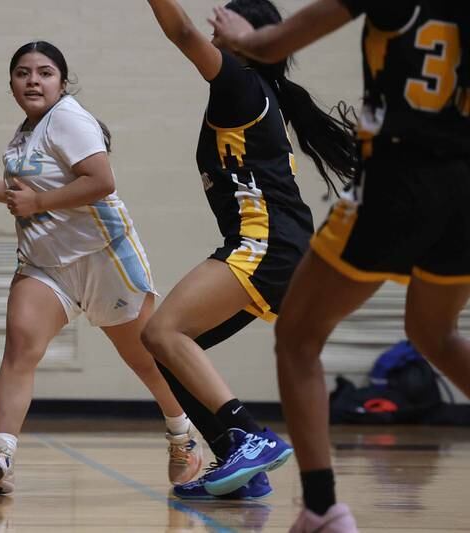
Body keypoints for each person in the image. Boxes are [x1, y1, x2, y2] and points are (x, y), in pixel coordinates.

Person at [210, 0, 470, 530]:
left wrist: (240, 33)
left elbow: (270, 45)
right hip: (464, 190)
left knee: (300, 338)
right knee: (433, 333)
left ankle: (322, 508)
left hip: (399, 181)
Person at [0, 40, 204, 495]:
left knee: (146, 359)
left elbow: (101, 181)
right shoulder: (22, 137)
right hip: (46, 264)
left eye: (45, 71)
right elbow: (19, 195)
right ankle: (1, 452)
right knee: (20, 346)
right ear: (12, 84)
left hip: (103, 255)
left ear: (62, 81)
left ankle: (182, 434)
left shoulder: (70, 119)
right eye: (23, 72)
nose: (33, 79)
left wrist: (40, 202)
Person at [140, 0, 357, 500]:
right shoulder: (256, 90)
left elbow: (181, 32)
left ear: (254, 39)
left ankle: (250, 437)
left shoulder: (238, 79)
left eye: (230, 18)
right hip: (276, 246)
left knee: (161, 331)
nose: (218, 25)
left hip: (266, 244)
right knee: (170, 353)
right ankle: (242, 471)